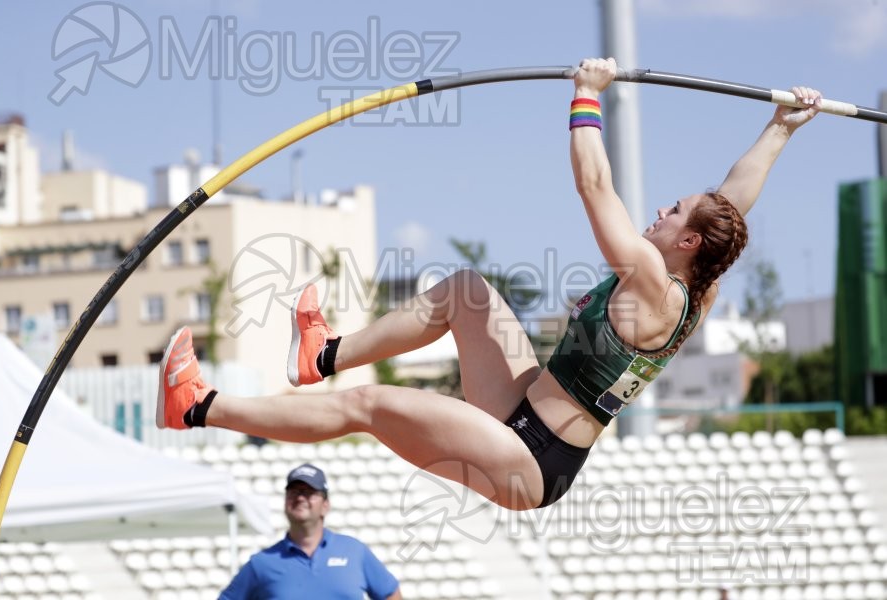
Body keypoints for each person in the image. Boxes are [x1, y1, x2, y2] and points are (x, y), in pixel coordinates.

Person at [157, 57, 822, 511]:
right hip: (520, 412)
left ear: (687, 244)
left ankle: (196, 406)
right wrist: (780, 129)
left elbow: (596, 187)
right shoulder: (695, 286)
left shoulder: (653, 279)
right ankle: (323, 354)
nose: (661, 211)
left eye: (673, 213)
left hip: (530, 461)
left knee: (370, 408)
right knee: (466, 291)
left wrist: (587, 95)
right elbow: (733, 203)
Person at [220, 463, 402, 600]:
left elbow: (390, 594)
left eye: (308, 492)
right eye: (293, 492)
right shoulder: (262, 563)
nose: (300, 497)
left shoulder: (354, 552)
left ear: (325, 505)